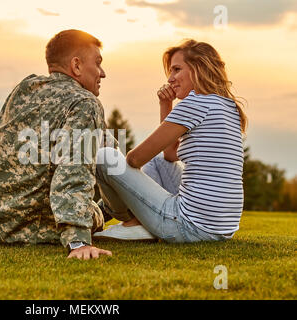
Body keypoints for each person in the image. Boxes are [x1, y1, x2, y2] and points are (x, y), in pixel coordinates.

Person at [0, 29, 114, 260]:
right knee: (95, 213)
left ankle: (107, 209)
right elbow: (73, 170)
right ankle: (112, 212)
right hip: (29, 227)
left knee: (107, 158)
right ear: (76, 66)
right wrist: (77, 241)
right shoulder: (85, 102)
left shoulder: (25, 88)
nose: (102, 73)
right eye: (97, 63)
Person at [93, 39, 247, 243]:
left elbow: (135, 159)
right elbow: (170, 155)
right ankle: (137, 222)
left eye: (177, 69)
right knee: (158, 162)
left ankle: (132, 222)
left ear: (198, 68)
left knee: (106, 157)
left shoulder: (196, 102)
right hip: (220, 229)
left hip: (187, 226)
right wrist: (165, 104)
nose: (171, 78)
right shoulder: (228, 106)